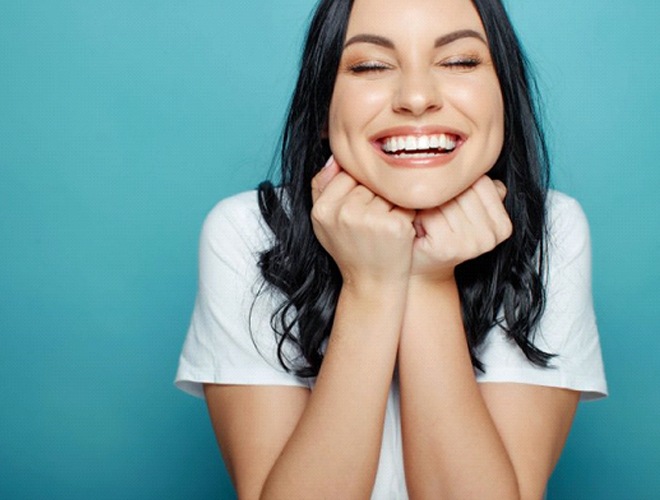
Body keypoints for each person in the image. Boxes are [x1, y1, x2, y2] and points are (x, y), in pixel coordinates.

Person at [175, 0, 607, 497]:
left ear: (505, 95)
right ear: (321, 109)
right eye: (370, 66)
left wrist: (428, 279)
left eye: (460, 61)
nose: (417, 97)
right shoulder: (250, 232)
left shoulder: (550, 230)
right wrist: (372, 285)